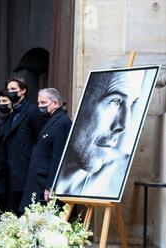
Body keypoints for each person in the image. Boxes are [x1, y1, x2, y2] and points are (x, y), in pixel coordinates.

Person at [55, 70, 146, 198]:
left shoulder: (116, 173)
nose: (125, 125)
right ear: (81, 103)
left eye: (131, 103)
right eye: (115, 101)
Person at [19, 88, 72, 212]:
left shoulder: (62, 122)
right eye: (38, 103)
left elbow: (58, 157)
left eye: (43, 103)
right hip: (37, 180)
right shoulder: (51, 120)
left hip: (44, 182)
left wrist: (50, 187)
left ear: (55, 103)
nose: (40, 106)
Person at [3, 78, 46, 215]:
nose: (10, 92)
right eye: (9, 90)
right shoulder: (12, 112)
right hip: (11, 167)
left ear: (23, 91)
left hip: (26, 166)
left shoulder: (32, 110)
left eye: (14, 90)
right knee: (13, 206)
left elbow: (40, 137)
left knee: (26, 208)